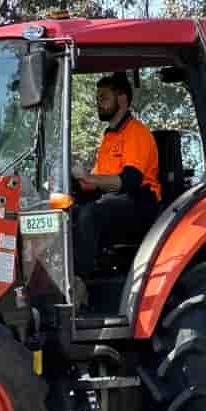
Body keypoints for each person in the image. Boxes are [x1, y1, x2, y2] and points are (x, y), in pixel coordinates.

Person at [71, 72, 160, 296]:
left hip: (141, 203)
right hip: (115, 201)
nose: (98, 103)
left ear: (121, 99)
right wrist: (77, 182)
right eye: (97, 98)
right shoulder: (109, 137)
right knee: (68, 213)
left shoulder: (137, 133)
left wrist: (89, 178)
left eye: (103, 97)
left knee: (89, 215)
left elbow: (129, 182)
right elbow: (98, 183)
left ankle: (79, 283)